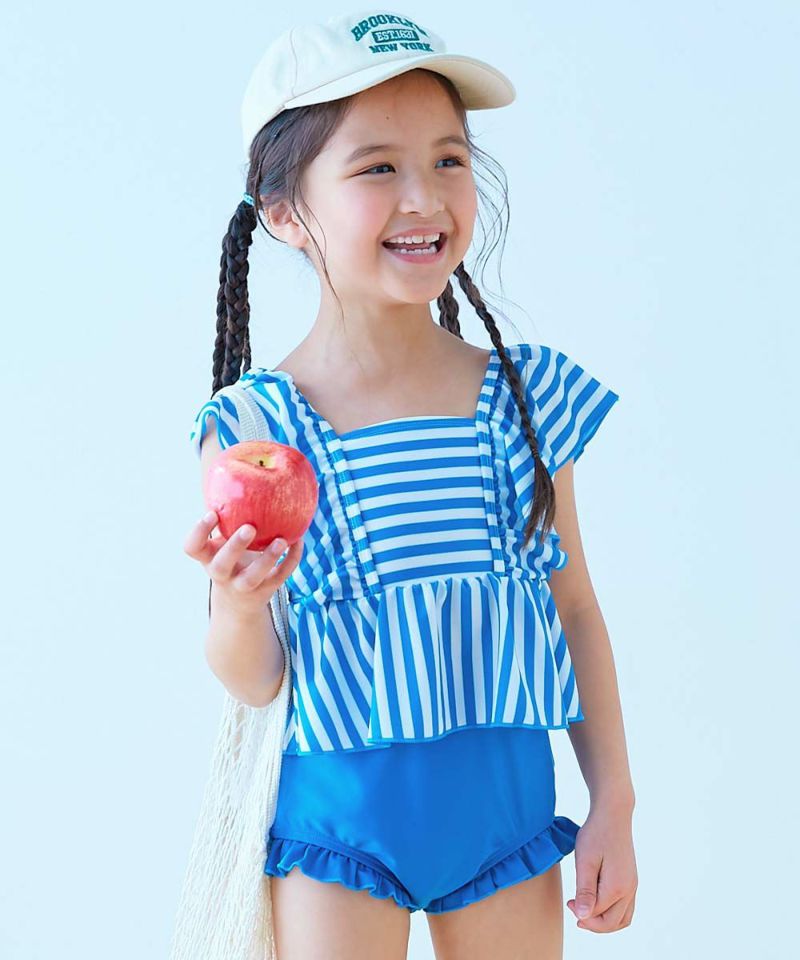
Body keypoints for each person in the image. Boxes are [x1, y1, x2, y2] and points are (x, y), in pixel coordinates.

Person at [183, 8, 638, 958]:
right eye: (378, 168)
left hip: (508, 827)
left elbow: (577, 608)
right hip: (336, 837)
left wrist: (614, 803)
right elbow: (254, 679)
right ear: (283, 212)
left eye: (448, 159)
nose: (424, 196)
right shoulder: (255, 429)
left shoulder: (525, 399)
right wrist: (241, 605)